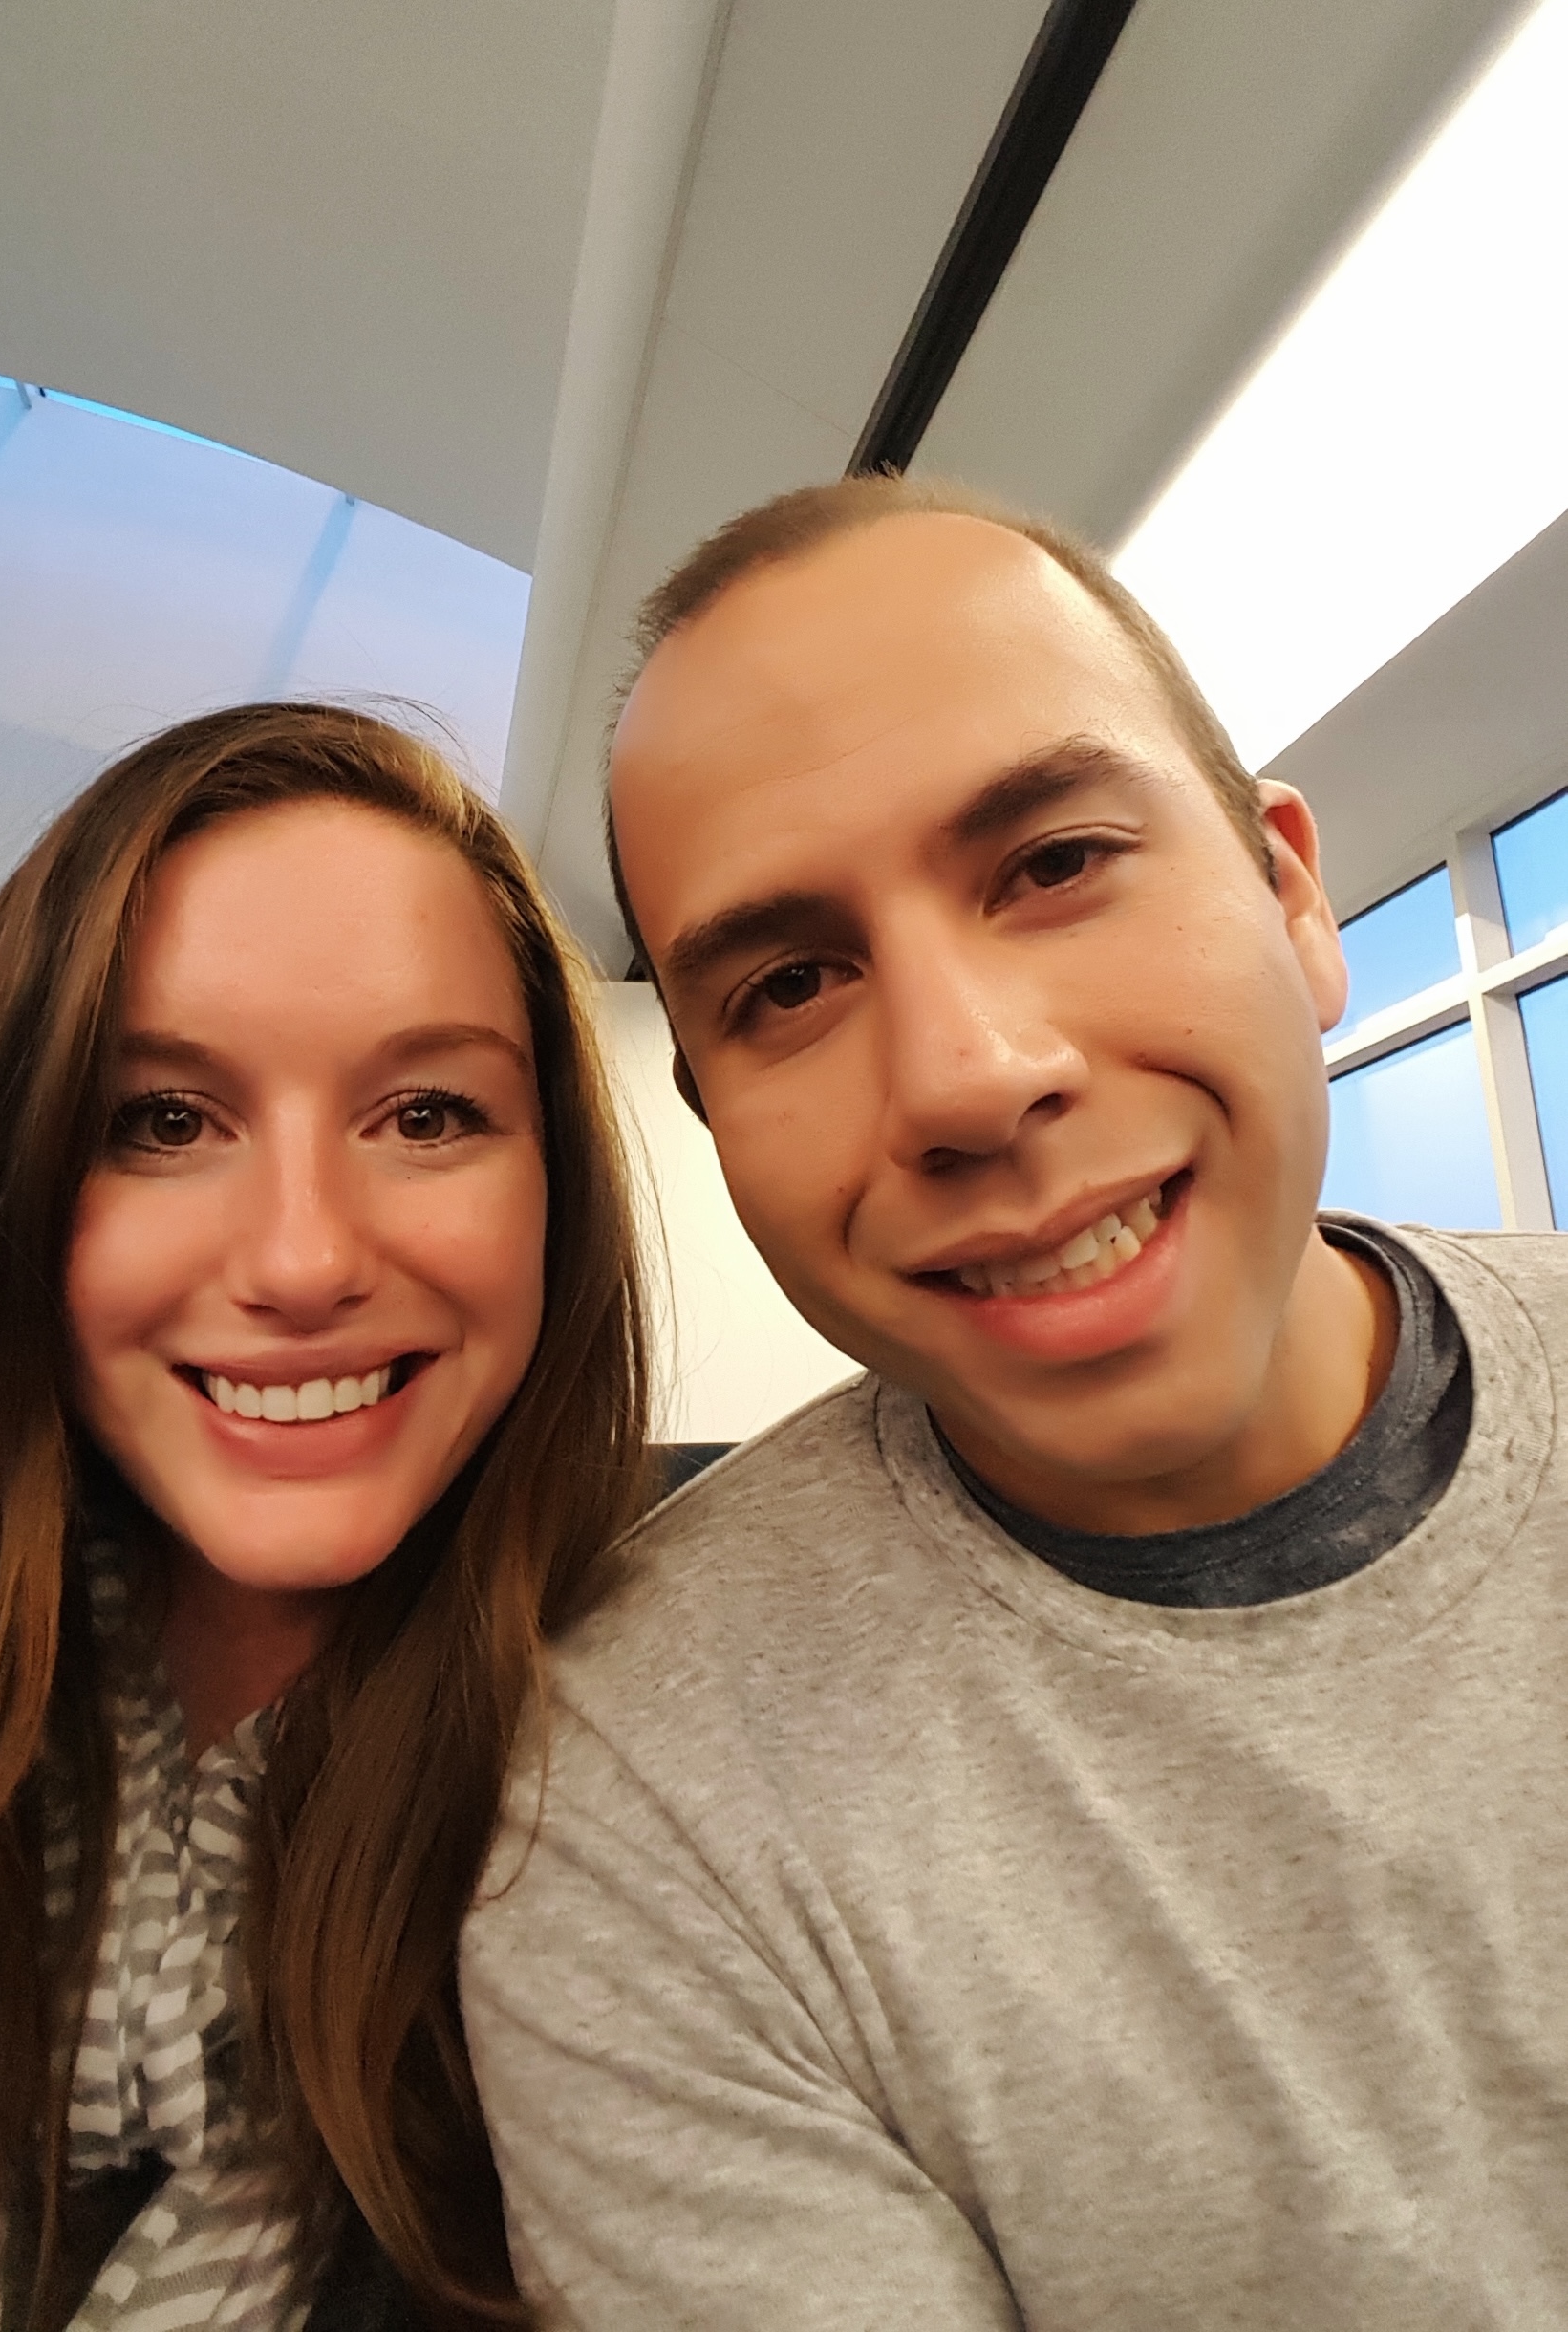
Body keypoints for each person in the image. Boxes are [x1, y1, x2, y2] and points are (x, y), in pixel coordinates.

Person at [460, 475, 1568, 2328]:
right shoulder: (643, 1804)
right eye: (793, 981)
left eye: (1052, 862)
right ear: (714, 1116)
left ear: (1292, 891)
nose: (969, 1076)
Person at [0, 702, 651, 2332]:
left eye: (428, 1114)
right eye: (162, 1120)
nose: (300, 1260)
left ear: (553, 1188)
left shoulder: (679, 1806)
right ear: (11, 1184)